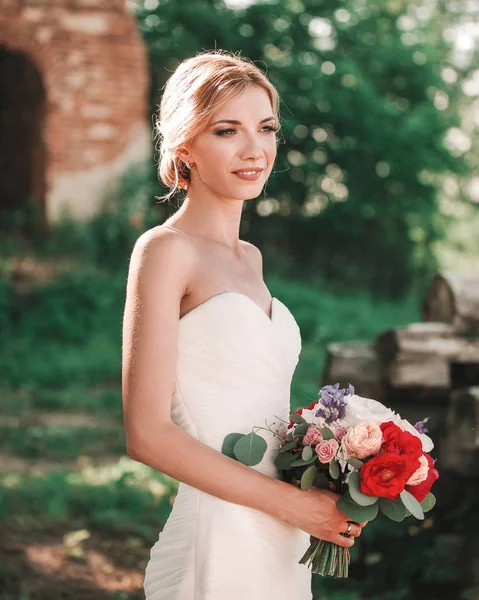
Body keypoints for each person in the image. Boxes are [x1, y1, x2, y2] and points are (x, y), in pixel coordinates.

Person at [122, 50, 366, 600]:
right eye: (227, 130)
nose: (254, 150)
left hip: (281, 535)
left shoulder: (251, 260)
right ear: (185, 145)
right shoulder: (165, 251)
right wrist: (295, 505)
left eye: (266, 128)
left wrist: (336, 468)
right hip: (220, 531)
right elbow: (146, 433)